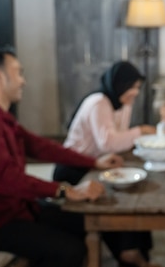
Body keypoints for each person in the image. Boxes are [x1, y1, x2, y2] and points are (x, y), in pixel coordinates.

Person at [0, 46, 124, 267]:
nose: (23, 81)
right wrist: (64, 190)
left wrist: (93, 162)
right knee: (70, 250)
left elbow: (41, 147)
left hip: (21, 209)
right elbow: (7, 179)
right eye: (18, 72)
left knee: (84, 222)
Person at [53, 60, 157, 267]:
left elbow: (118, 141)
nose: (135, 92)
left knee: (136, 191)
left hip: (97, 162)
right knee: (115, 197)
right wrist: (141, 131)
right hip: (74, 168)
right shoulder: (98, 102)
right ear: (119, 84)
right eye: (132, 87)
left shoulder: (122, 103)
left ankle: (137, 254)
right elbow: (108, 142)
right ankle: (129, 255)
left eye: (137, 87)